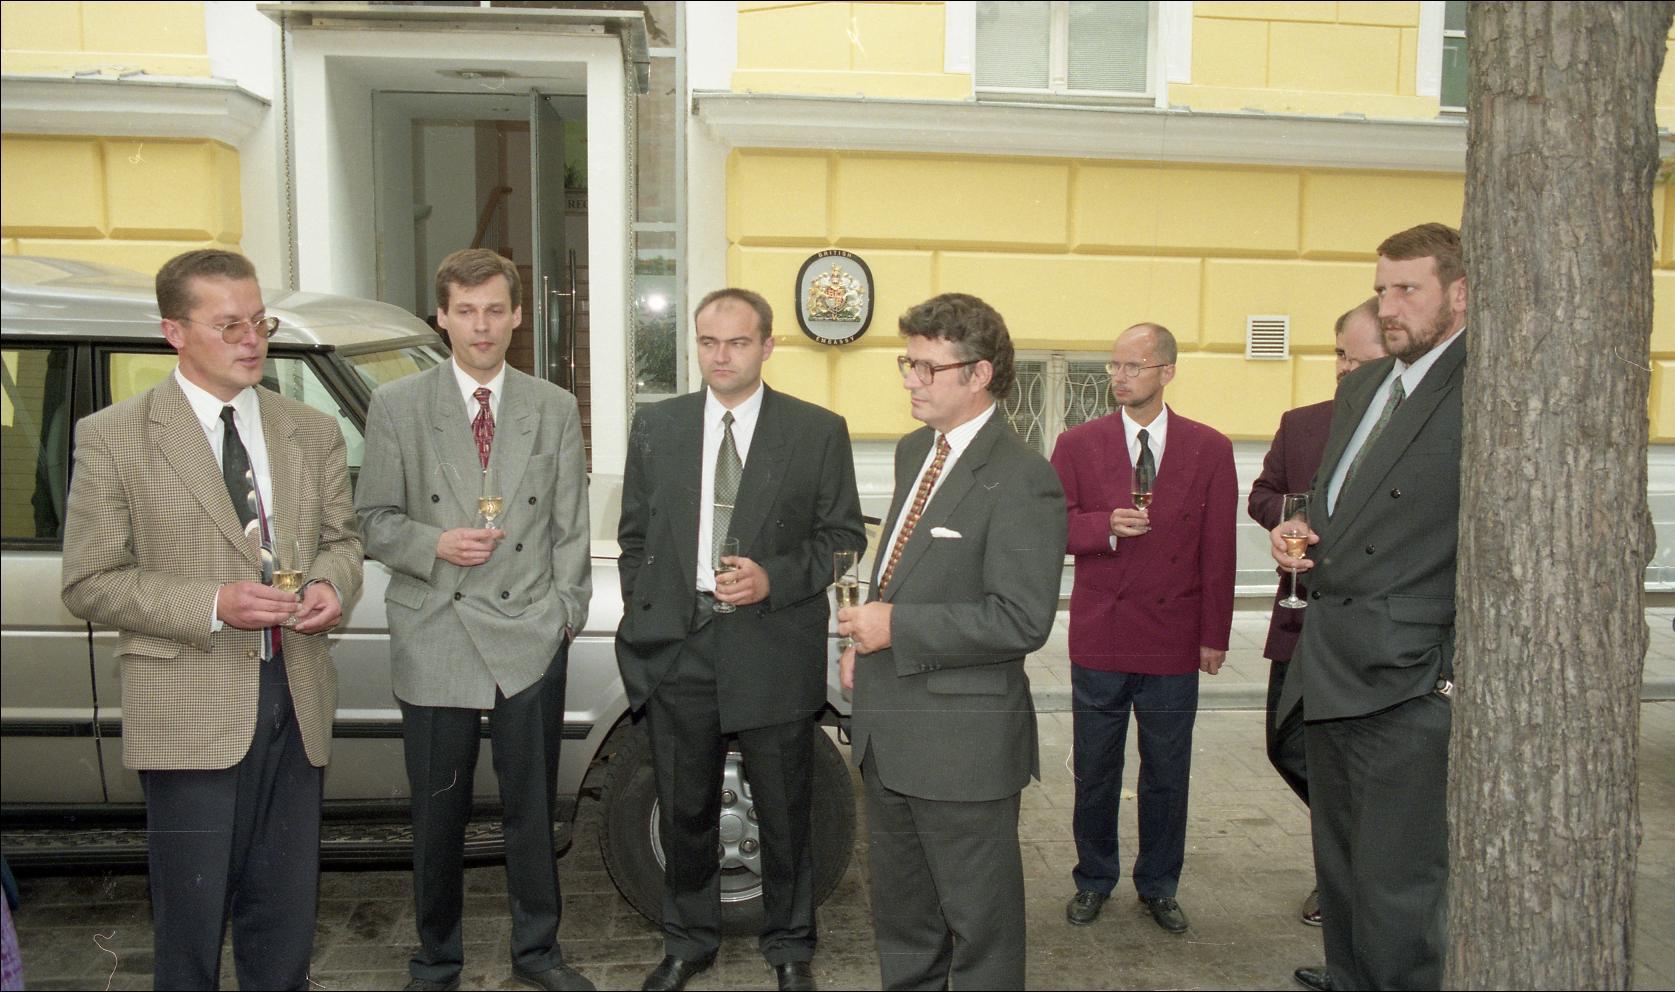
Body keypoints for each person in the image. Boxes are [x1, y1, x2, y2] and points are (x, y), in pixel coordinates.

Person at [61, 248, 363, 990]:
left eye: (259, 321)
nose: (251, 340)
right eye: (228, 325)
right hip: (187, 707)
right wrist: (212, 604)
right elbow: (89, 582)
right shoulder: (115, 436)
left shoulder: (311, 430)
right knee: (191, 931)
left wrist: (332, 584)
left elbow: (343, 541)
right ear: (174, 332)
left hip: (296, 696)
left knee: (284, 918)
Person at [356, 249, 593, 992]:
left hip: (530, 630)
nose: (481, 326)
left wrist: (566, 613)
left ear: (518, 315)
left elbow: (571, 526)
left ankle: (538, 953)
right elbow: (372, 520)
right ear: (441, 317)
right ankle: (436, 959)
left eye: (494, 310)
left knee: (531, 809)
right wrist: (434, 544)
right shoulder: (397, 405)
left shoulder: (552, 406)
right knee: (438, 815)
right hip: (436, 628)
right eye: (465, 311)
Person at [615, 288, 864, 992]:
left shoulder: (815, 431)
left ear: (767, 346)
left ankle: (789, 946)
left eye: (737, 342)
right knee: (684, 807)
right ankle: (688, 941)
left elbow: (843, 539)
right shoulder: (657, 425)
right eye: (707, 342)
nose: (720, 356)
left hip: (771, 643)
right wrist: (652, 610)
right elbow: (635, 536)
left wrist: (773, 579)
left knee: (784, 811)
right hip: (679, 646)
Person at [838, 293, 1066, 990]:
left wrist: (894, 628)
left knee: (979, 932)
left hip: (964, 747)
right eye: (907, 363)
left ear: (980, 374)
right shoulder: (915, 450)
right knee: (905, 923)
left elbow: (1020, 619)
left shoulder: (1023, 476)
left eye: (927, 368)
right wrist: (865, 639)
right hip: (888, 731)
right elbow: (906, 573)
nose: (910, 379)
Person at [1273, 222, 1467, 992]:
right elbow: (1336, 502)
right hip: (1332, 661)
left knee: (1398, 893)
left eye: (1407, 289)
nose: (1386, 307)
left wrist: (1447, 675)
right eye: (1381, 289)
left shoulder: (1482, 387)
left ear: (1459, 293)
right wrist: (1297, 527)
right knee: (1343, 869)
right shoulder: (1364, 385)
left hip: (1409, 679)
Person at [1050, 322, 1237, 935]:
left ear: (1167, 372)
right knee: (1095, 769)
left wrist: (1214, 635)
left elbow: (1220, 549)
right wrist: (1102, 526)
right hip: (1101, 634)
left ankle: (1159, 884)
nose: (1119, 377)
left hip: (1173, 638)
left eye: (1133, 366)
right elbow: (1050, 525)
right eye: (1114, 366)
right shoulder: (1078, 444)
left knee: (1166, 773)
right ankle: (1093, 878)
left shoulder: (1210, 448)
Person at [1248, 297, 1387, 928]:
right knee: (1286, 745)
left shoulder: (1414, 430)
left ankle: (1349, 876)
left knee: (1352, 761)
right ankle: (1356, 854)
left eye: (1360, 358)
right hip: (1300, 615)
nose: (1345, 369)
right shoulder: (1302, 424)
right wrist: (1287, 519)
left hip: (1370, 630)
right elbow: (1263, 494)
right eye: (1339, 355)